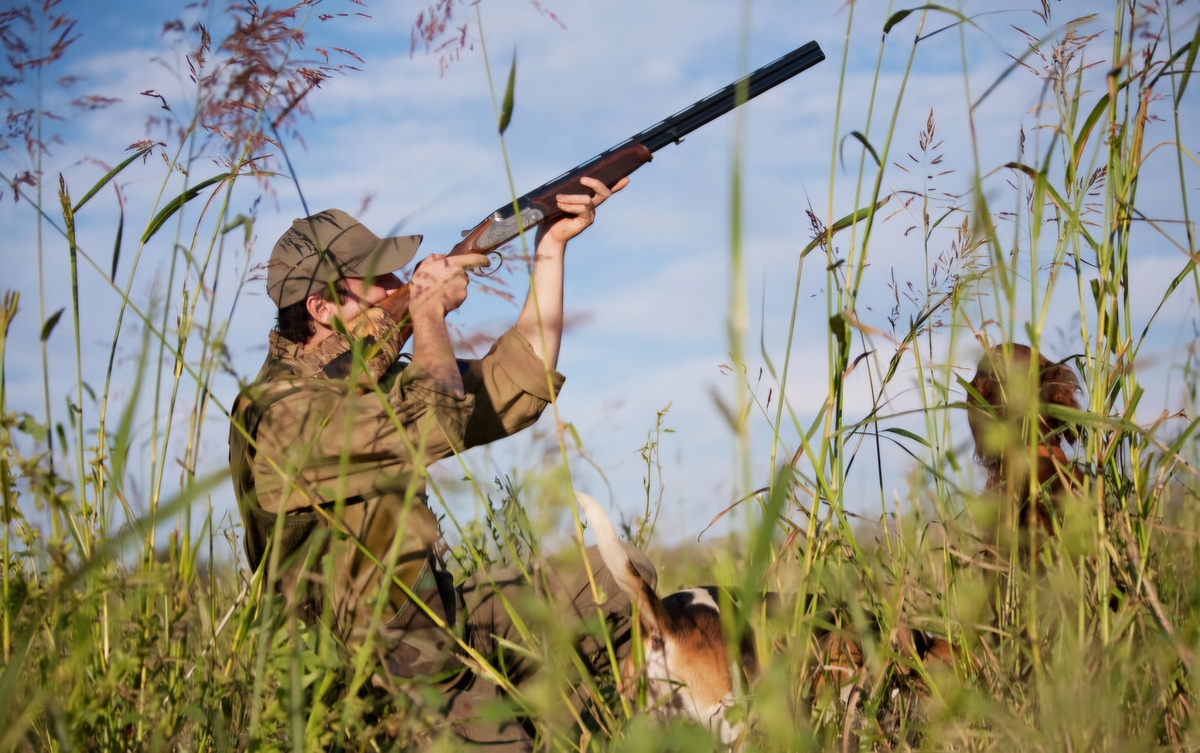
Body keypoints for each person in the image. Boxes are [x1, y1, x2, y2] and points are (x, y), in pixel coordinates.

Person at [228, 177, 655, 749]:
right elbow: (439, 420)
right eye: (377, 280)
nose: (396, 286)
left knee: (623, 581)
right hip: (371, 669)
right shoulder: (281, 415)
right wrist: (428, 315)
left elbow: (516, 385)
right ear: (321, 307)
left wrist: (550, 248)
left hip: (436, 617)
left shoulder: (368, 383)